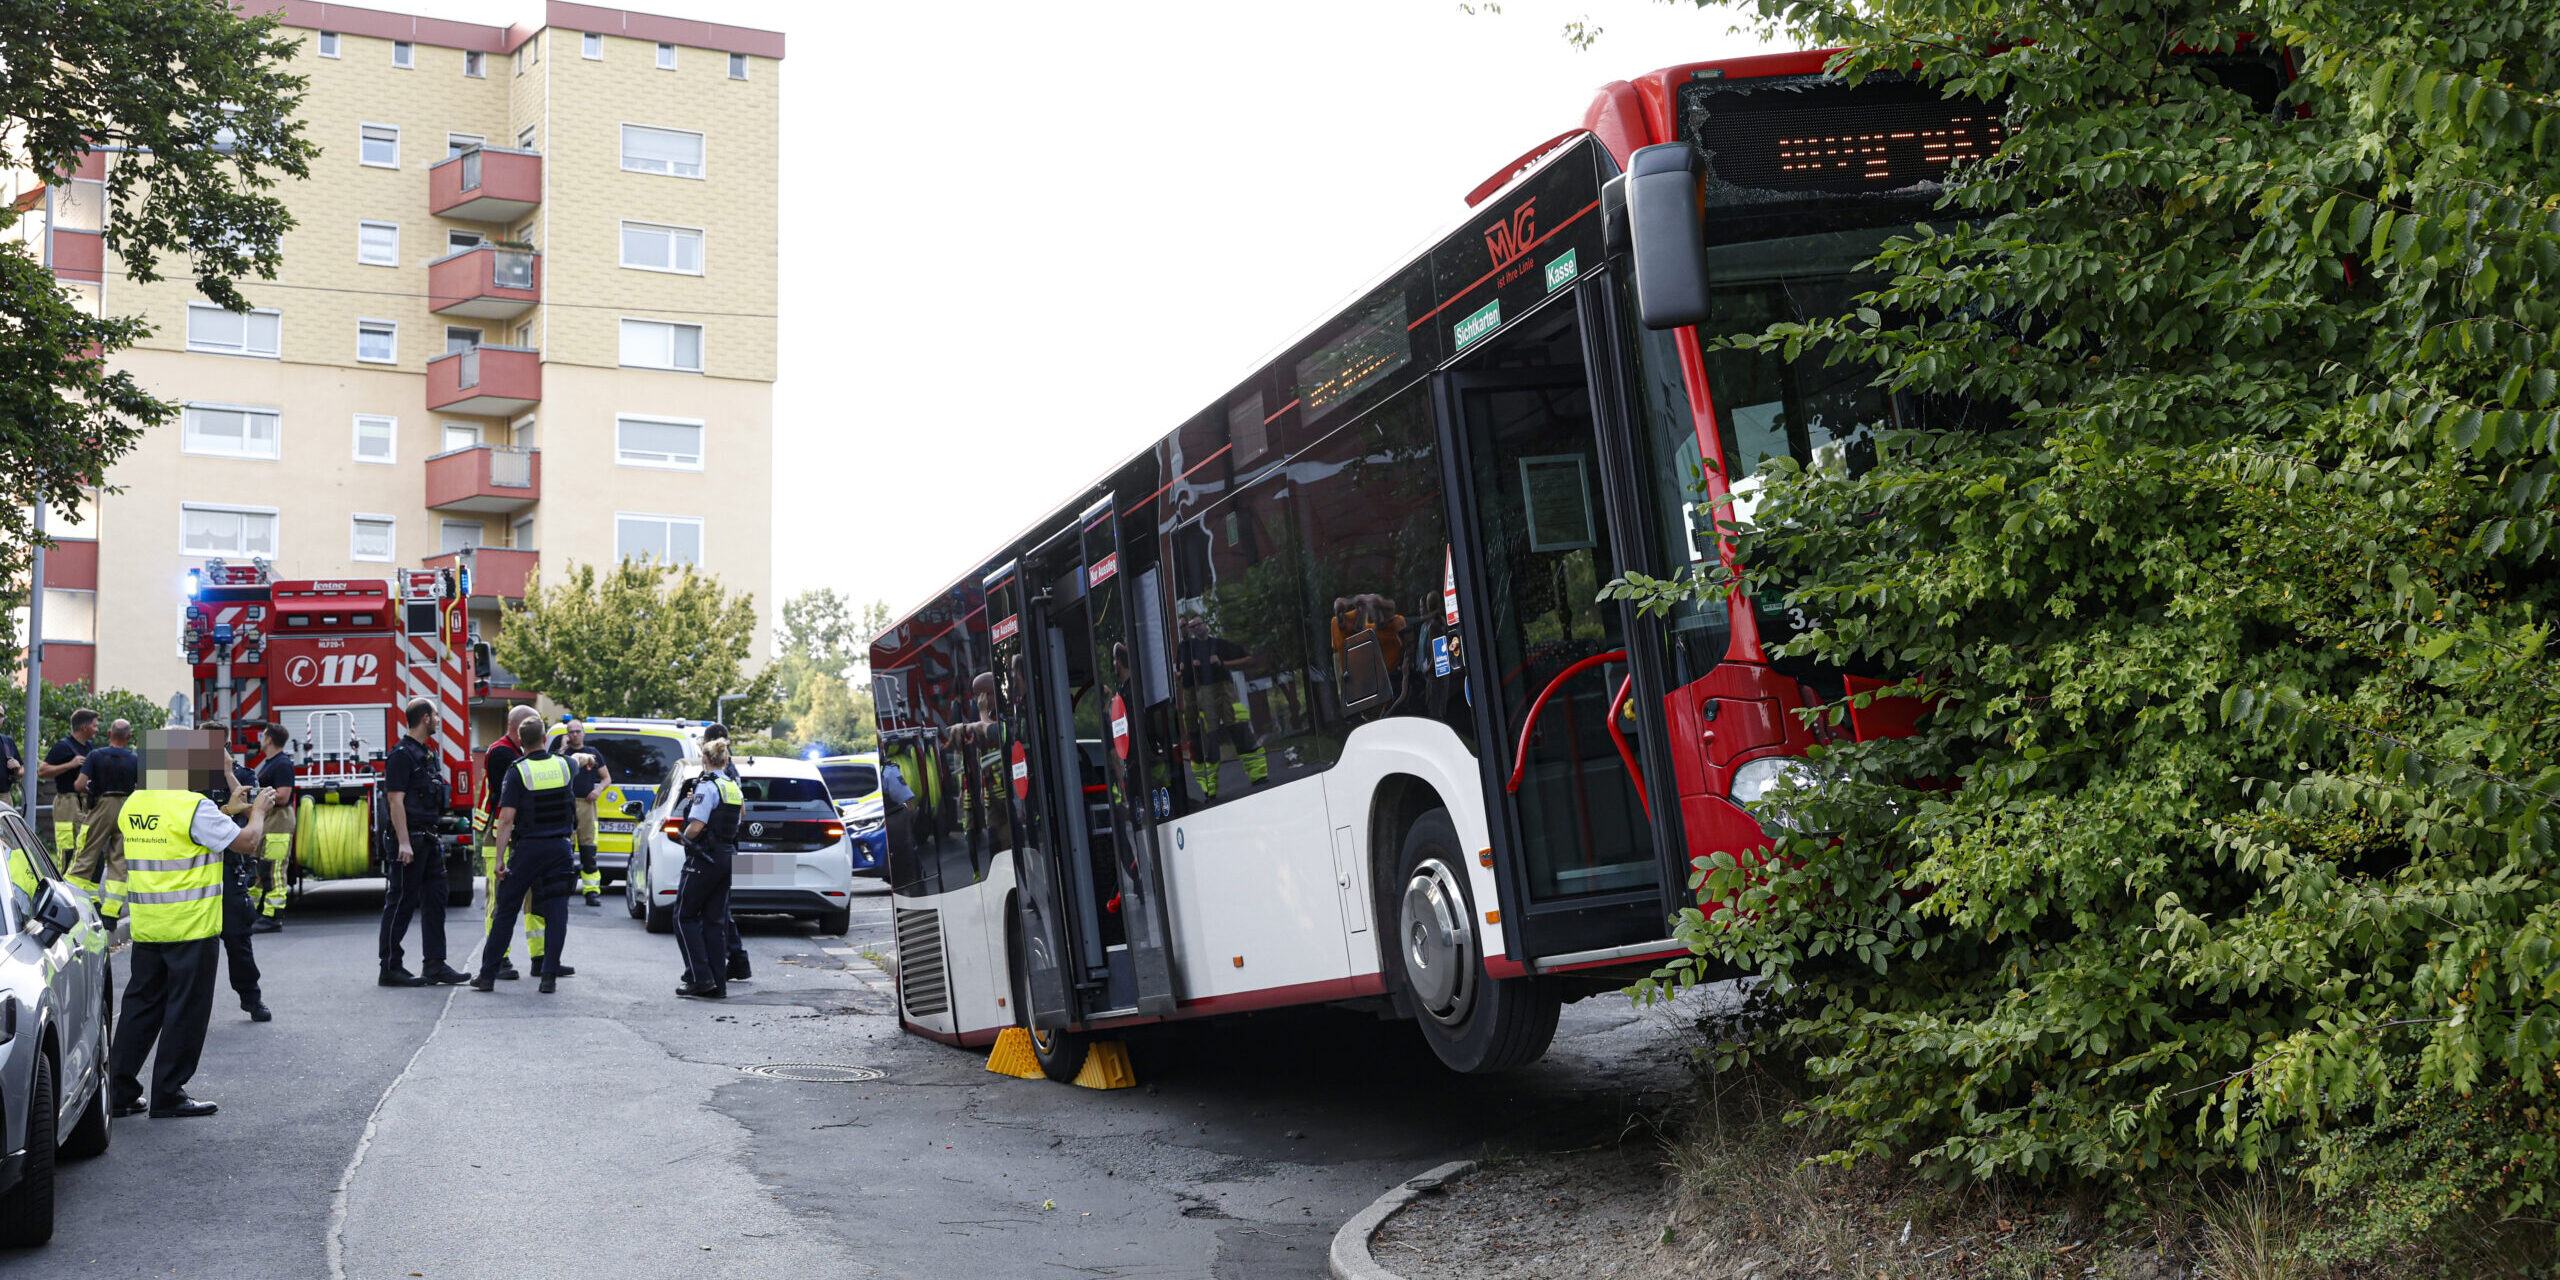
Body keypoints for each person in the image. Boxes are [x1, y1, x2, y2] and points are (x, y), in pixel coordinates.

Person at [107, 726, 281, 1119]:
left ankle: (118, 1091)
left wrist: (228, 811)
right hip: (191, 925)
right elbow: (247, 842)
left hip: (150, 923)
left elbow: (182, 836)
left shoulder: (135, 804)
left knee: (141, 1007)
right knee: (186, 1010)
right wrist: (257, 812)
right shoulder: (193, 806)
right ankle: (169, 1093)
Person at [471, 716, 593, 994]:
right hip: (560, 849)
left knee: (506, 910)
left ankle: (487, 976)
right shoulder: (564, 765)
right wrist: (589, 760)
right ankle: (548, 977)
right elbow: (581, 761)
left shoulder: (518, 772)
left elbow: (505, 819)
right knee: (556, 911)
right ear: (543, 740)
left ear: (521, 742)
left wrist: (500, 859)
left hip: (528, 849)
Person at [381, 697, 467, 987]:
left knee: (436, 899)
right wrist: (404, 842)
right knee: (402, 902)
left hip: (429, 837)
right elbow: (395, 801)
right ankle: (390, 968)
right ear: (425, 719)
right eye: (436, 715)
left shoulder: (426, 753)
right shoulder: (401, 755)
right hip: (411, 839)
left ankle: (435, 964)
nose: (439, 720)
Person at [672, 739, 745, 1000]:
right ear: (726, 761)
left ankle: (699, 977)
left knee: (684, 916)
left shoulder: (707, 786)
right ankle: (718, 984)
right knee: (715, 922)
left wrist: (682, 835)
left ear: (705, 760)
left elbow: (697, 825)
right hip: (727, 856)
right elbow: (740, 817)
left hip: (705, 858)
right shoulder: (733, 787)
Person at [477, 705, 542, 980]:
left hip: (523, 835)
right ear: (519, 728)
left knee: (534, 898)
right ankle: (498, 959)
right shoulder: (502, 753)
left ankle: (541, 957)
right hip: (499, 835)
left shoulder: (517, 753)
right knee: (499, 901)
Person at [213, 754, 271, 1022]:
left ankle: (251, 998)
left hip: (229, 865)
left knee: (238, 939)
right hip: (192, 869)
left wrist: (227, 773)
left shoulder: (244, 775)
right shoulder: (185, 775)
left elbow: (255, 813)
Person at [68, 718, 138, 925]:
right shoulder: (135, 759)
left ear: (109, 734)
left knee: (86, 853)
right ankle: (110, 914)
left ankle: (74, 905)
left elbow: (80, 784)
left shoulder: (95, 755)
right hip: (127, 808)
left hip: (101, 806)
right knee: (119, 860)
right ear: (129, 737)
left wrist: (89, 787)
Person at [560, 717, 612, 906]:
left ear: (583, 732)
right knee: (565, 849)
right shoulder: (562, 754)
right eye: (571, 731)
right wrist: (563, 748)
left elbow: (607, 778)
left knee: (588, 849)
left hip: (587, 806)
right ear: (567, 735)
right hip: (566, 805)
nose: (574, 734)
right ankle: (564, 889)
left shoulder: (592, 753)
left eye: (577, 731)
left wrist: (597, 790)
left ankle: (591, 891)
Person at [249, 724, 296, 931]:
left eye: (263, 735)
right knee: (261, 869)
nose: (261, 738)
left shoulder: (282, 764)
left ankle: (273, 918)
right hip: (269, 822)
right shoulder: (271, 763)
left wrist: (257, 796)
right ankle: (256, 914)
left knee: (274, 870)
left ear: (269, 739)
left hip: (279, 822)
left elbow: (284, 796)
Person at [41, 708, 98, 861]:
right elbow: (42, 771)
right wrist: (69, 764)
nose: (96, 730)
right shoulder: (63, 746)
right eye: (94, 726)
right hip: (67, 803)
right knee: (67, 848)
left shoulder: (90, 747)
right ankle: (64, 879)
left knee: (84, 845)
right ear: (84, 727)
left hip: (85, 802)